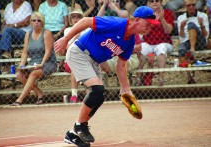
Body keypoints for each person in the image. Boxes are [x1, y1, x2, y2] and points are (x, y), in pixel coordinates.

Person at [54, 6, 160, 146]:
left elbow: (121, 66)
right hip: (79, 52)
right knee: (96, 89)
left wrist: (125, 89)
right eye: (148, 24)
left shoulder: (130, 42)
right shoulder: (116, 23)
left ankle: (73, 134)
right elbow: (86, 21)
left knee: (99, 96)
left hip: (94, 61)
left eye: (151, 26)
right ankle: (80, 126)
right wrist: (66, 38)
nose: (149, 28)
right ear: (137, 20)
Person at [11, 11, 57, 106]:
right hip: (33, 63)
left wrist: (41, 64)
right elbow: (24, 52)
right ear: (31, 22)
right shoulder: (28, 34)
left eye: (39, 20)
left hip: (48, 62)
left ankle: (19, 100)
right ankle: (40, 93)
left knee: (34, 73)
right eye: (34, 20)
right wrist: (22, 65)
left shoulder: (47, 33)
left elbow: (48, 51)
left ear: (42, 23)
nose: (36, 22)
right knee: (19, 75)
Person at [136, 0, 174, 86]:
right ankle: (138, 79)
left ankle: (161, 80)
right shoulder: (144, 15)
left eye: (157, 0)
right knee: (141, 47)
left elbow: (169, 31)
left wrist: (162, 19)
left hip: (164, 42)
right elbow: (143, 33)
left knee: (161, 47)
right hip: (148, 43)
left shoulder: (167, 13)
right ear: (148, 4)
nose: (154, 2)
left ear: (161, 3)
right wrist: (154, 21)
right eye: (151, 1)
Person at [177, 0, 209, 84]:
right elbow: (181, 37)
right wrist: (181, 27)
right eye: (188, 5)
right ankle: (189, 76)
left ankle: (192, 48)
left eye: (193, 5)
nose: (191, 7)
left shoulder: (203, 15)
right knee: (181, 49)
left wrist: (201, 25)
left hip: (200, 41)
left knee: (191, 24)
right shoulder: (180, 18)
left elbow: (206, 35)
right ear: (185, 6)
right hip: (187, 40)